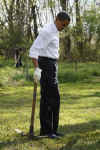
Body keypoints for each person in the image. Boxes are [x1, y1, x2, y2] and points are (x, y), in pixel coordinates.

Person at [29, 11, 70, 138]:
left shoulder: (55, 31)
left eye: (65, 26)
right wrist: (37, 69)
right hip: (46, 65)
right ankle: (47, 131)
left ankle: (52, 130)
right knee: (49, 98)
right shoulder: (47, 31)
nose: (63, 28)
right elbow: (33, 50)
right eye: (63, 25)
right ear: (57, 19)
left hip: (52, 65)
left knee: (54, 99)